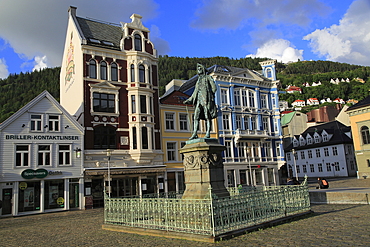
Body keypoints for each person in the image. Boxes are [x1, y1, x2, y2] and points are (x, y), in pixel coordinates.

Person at [184, 63, 217, 140]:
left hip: (206, 99)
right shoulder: (198, 81)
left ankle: (208, 132)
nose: (198, 70)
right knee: (196, 116)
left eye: (200, 69)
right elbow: (194, 93)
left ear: (203, 70)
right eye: (197, 69)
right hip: (199, 100)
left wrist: (210, 96)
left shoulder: (208, 78)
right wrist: (189, 100)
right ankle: (195, 133)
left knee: (207, 116)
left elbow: (214, 88)